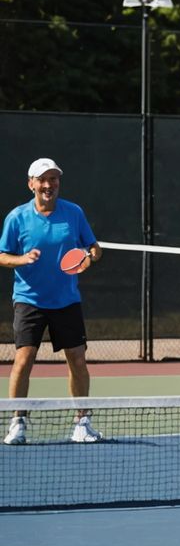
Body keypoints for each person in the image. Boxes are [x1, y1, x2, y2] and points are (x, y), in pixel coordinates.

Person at [0, 158, 104, 445]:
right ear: (31, 184)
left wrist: (88, 258)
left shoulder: (73, 213)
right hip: (29, 300)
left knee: (78, 360)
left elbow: (94, 248)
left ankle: (82, 423)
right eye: (42, 180)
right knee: (23, 359)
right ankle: (17, 422)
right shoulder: (17, 218)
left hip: (66, 301)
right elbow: (2, 254)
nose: (48, 185)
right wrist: (22, 259)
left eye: (53, 179)